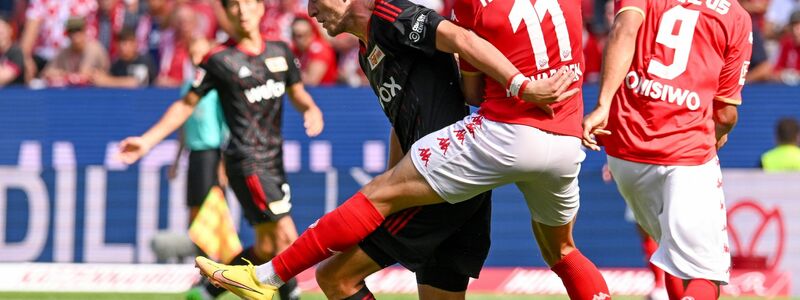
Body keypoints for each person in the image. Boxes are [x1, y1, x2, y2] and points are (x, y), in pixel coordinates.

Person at [196, 0, 611, 299]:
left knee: (335, 279)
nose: (310, 11)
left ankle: (266, 278)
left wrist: (519, 85)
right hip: (501, 160)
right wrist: (397, 172)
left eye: (316, 1)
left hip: (453, 177)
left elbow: (458, 38)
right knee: (561, 251)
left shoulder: (390, 13)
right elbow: (406, 121)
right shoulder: (366, 53)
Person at [116, 0, 325, 299]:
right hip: (247, 161)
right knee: (287, 238)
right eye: (234, 6)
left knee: (267, 248)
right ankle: (289, 295)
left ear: (261, 9)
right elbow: (186, 104)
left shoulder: (281, 52)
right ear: (226, 14)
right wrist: (148, 141)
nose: (241, 10)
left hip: (274, 162)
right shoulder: (219, 59)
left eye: (248, 3)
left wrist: (311, 109)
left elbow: (298, 92)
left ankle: (209, 288)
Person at [581, 0, 752, 297]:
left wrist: (603, 104)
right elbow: (725, 113)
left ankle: (662, 288)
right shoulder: (736, 17)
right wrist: (721, 132)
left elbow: (623, 30)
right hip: (686, 151)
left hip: (625, 151)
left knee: (674, 254)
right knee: (704, 273)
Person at [41, 17, 110, 87]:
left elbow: (108, 74)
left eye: (78, 30)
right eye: (72, 31)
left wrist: (96, 76)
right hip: (69, 94)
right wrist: (62, 74)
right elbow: (46, 73)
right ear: (67, 34)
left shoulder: (95, 49)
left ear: (84, 31)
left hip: (94, 93)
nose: (75, 34)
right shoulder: (63, 52)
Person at [92, 28, 157, 88]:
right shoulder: (117, 64)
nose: (121, 47)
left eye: (125, 43)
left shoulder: (144, 61)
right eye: (119, 43)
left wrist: (106, 81)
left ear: (135, 43)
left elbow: (136, 83)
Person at [290, 16, 338, 86]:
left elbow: (311, 81)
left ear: (311, 34)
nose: (296, 39)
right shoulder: (294, 49)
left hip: (324, 93)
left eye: (300, 36)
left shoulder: (320, 50)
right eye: (294, 35)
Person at [0, 16, 25, 86]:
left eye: (2, 31)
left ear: (10, 30)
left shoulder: (16, 52)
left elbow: (3, 77)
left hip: (15, 95)